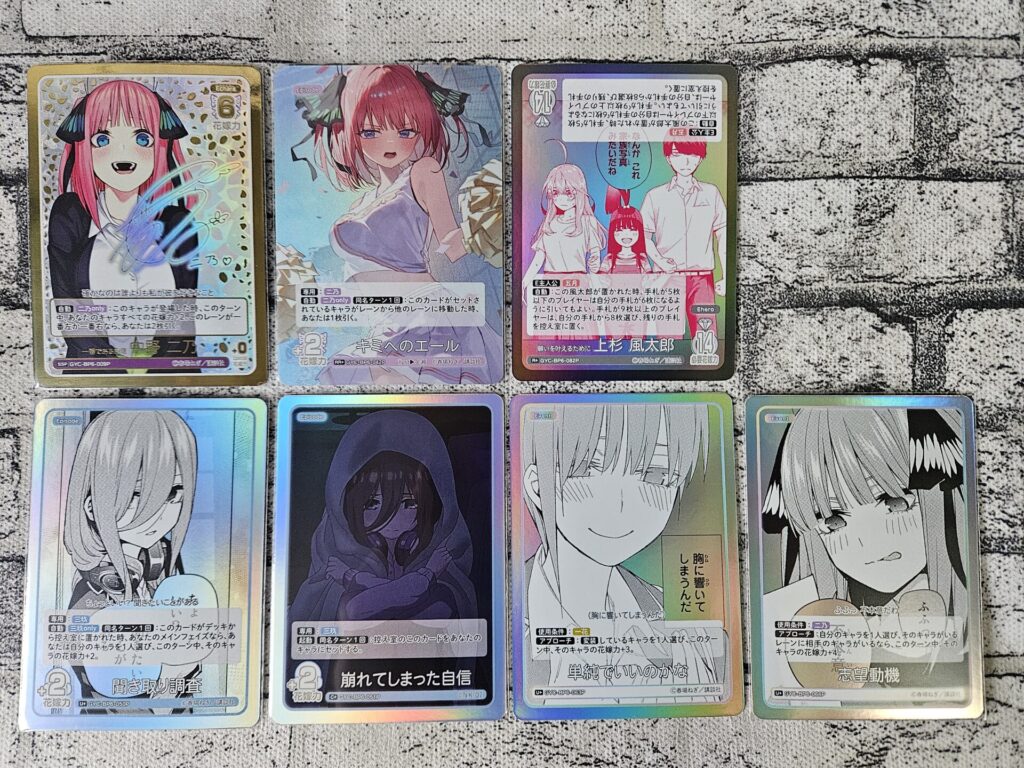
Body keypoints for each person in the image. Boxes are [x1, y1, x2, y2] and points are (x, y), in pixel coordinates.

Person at [300, 64, 502, 385]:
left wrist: (490, 222)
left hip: (424, 315)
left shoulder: (423, 172)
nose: (389, 143)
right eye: (370, 132)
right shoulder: (359, 204)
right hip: (384, 322)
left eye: (405, 131)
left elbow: (451, 241)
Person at [520, 402, 722, 703]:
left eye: (656, 475)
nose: (619, 506)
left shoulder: (685, 628)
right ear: (537, 486)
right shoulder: (507, 612)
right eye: (586, 469)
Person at [289, 409, 477, 687]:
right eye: (372, 504)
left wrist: (354, 578)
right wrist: (426, 576)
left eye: (409, 504)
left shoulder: (448, 572)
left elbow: (364, 606)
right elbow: (356, 610)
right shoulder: (328, 571)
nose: (390, 519)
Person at [49, 79, 199, 366]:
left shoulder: (177, 223)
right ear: (84, 148)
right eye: (102, 140)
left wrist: (163, 373)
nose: (122, 155)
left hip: (167, 375)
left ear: (160, 145)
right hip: (93, 372)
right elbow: (69, 312)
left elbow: (184, 320)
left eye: (142, 139)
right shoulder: (70, 216)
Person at [639, 140, 726, 344]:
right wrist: (660, 261)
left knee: (706, 341)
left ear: (701, 157)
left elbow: (723, 233)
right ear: (668, 158)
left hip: (702, 279)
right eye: (678, 155)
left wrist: (726, 275)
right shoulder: (655, 196)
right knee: (668, 342)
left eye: (692, 155)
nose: (685, 162)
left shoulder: (711, 193)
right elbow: (643, 236)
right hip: (667, 279)